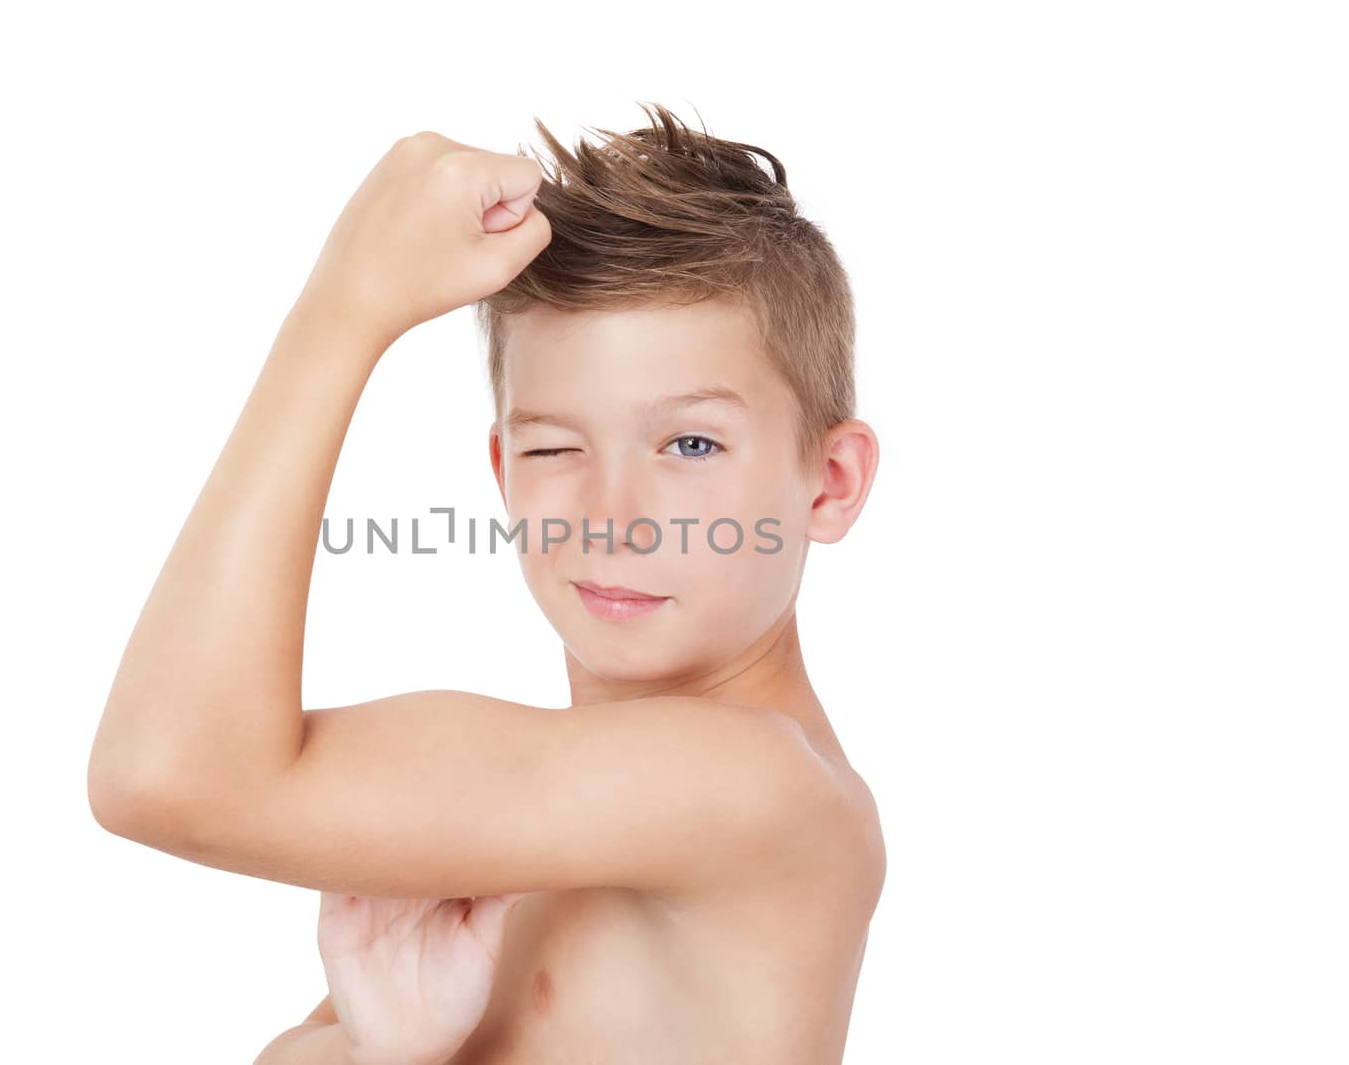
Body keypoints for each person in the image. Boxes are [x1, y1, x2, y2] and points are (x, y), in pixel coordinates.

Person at [88, 101, 885, 1065]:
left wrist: (344, 309)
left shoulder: (762, 786)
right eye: (554, 445)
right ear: (503, 474)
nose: (611, 514)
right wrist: (385, 1053)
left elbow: (166, 775)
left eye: (690, 443)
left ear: (829, 482)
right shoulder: (529, 829)